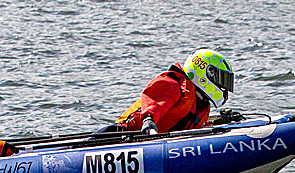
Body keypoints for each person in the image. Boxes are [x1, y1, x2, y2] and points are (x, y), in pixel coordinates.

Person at [100, 49, 236, 137]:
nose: (223, 86)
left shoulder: (200, 105)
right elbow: (153, 103)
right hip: (119, 136)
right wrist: (148, 120)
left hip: (152, 142)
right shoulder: (174, 84)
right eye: (221, 79)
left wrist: (223, 121)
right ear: (206, 73)